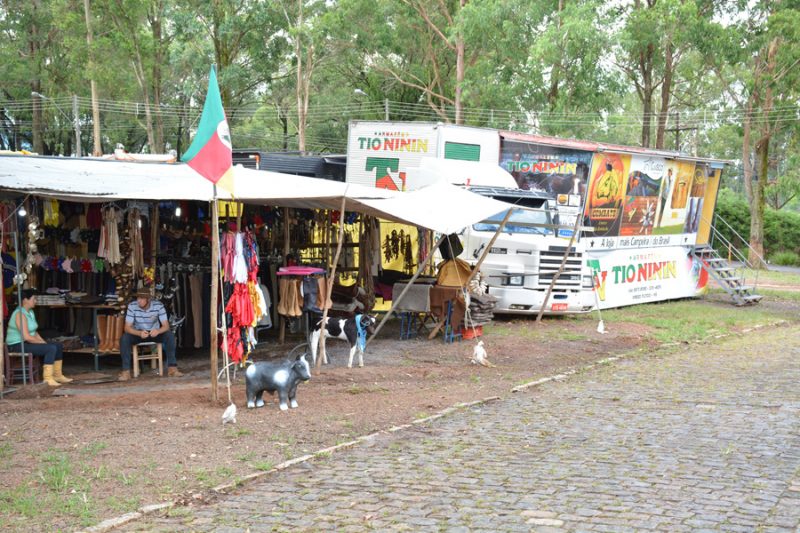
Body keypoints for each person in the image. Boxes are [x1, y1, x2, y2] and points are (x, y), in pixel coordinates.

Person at [6, 289, 72, 386]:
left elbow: (34, 331)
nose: (35, 301)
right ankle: (48, 378)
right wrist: (44, 344)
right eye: (34, 299)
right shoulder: (19, 314)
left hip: (26, 342)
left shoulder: (30, 312)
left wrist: (43, 341)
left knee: (57, 345)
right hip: (17, 345)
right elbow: (27, 337)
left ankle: (57, 375)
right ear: (25, 300)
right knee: (50, 348)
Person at [118, 288, 182, 381]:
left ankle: (172, 368)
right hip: (138, 333)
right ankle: (126, 371)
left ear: (148, 299)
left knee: (169, 336)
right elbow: (127, 328)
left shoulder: (158, 306)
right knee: (124, 339)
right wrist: (139, 333)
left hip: (154, 333)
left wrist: (158, 331)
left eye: (141, 298)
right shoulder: (132, 306)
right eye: (137, 298)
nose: (138, 301)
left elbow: (166, 326)